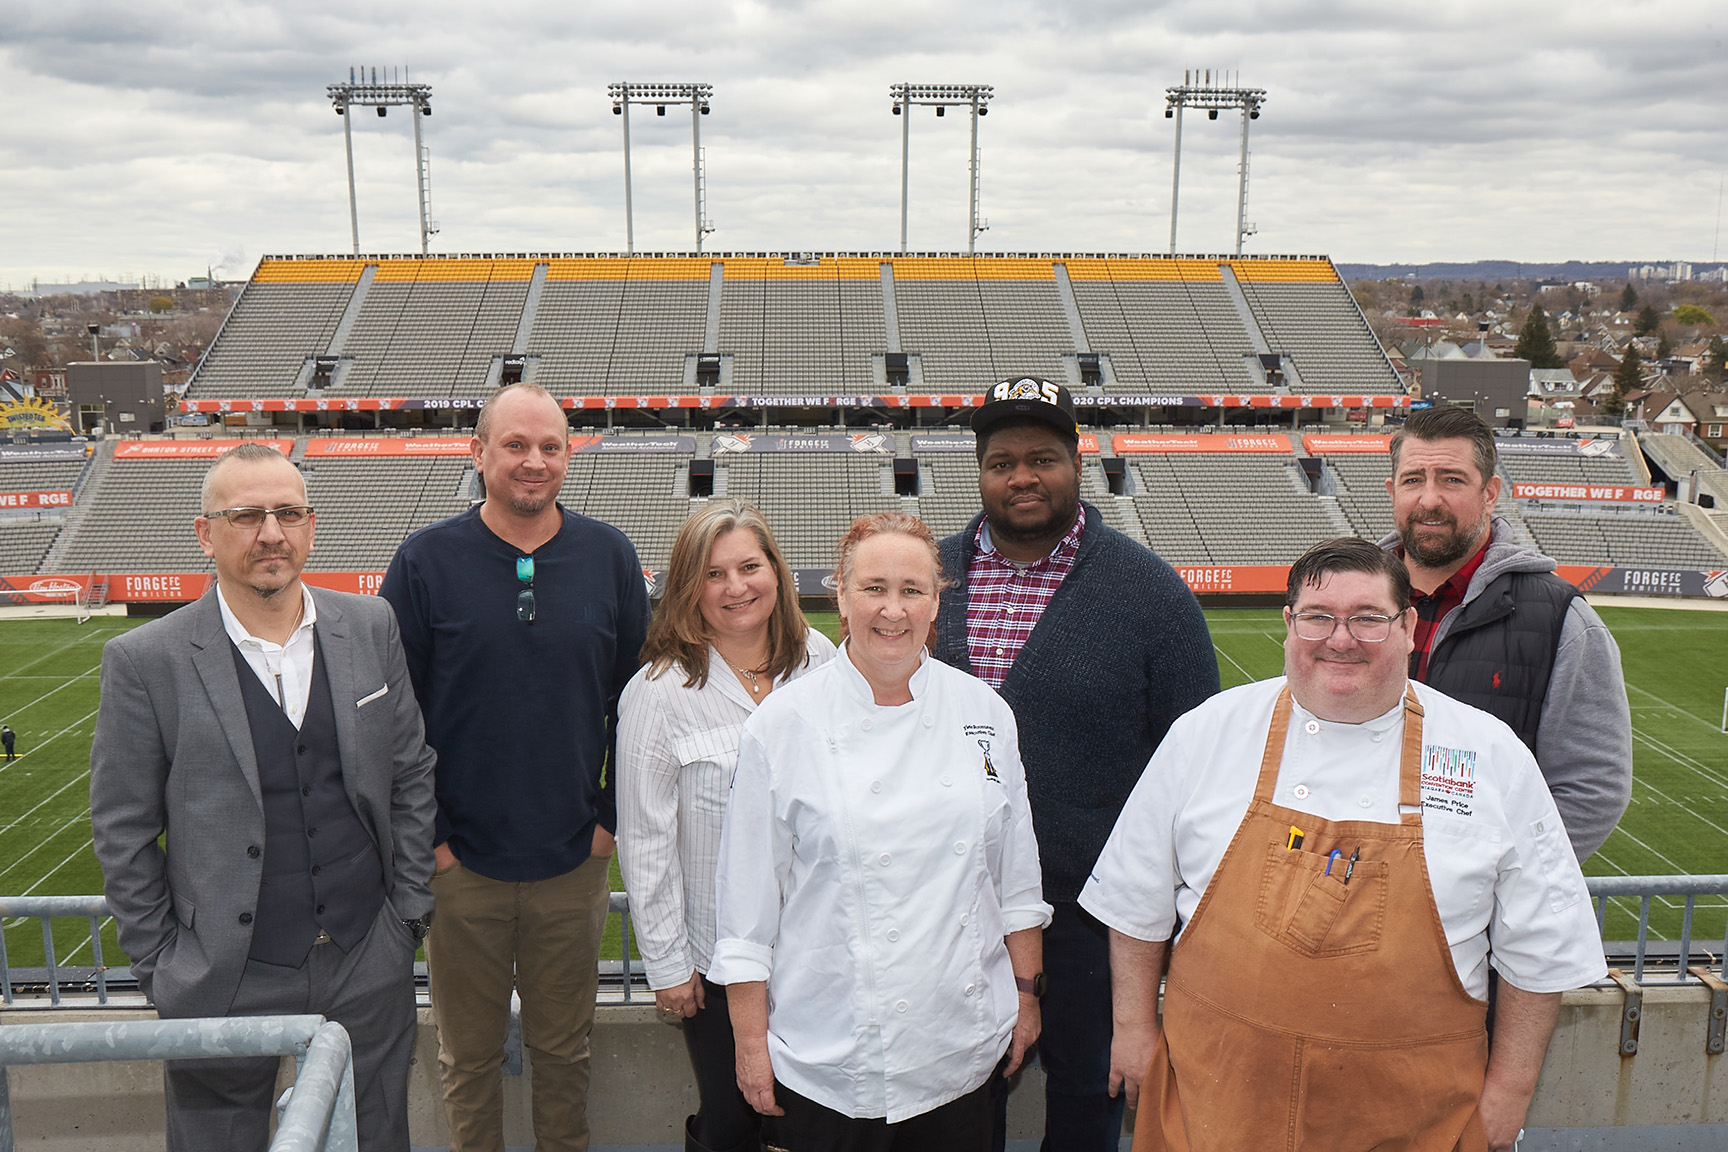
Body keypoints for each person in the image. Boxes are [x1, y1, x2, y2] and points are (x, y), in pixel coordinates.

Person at [1082, 538, 1607, 1152]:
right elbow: (1134, 896)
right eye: (1318, 616)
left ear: (1408, 626)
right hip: (1211, 1102)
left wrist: (1510, 1093)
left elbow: (1540, 948)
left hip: (1415, 1118)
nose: (1340, 638)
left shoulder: (1490, 757)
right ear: (1288, 623)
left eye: (1368, 618)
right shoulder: (1208, 732)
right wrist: (1133, 1028)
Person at [90, 442, 437, 1152]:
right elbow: (122, 827)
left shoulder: (371, 626)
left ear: (312, 525)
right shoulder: (146, 660)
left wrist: (405, 918)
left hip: (366, 956)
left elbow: (410, 774)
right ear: (205, 532)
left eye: (287, 513)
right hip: (218, 973)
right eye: (246, 516)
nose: (270, 533)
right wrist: (163, 966)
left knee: (377, 1136)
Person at [929, 376, 1218, 1151]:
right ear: (981, 472)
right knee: (957, 1090)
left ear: (1077, 461)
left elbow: (1194, 769)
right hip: (946, 899)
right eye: (1002, 461)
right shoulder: (927, 578)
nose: (1022, 476)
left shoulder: (1151, 593)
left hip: (1091, 914)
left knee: (1089, 1093)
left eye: (1043, 458)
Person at [709, 512, 1052, 1151]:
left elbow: (1017, 884)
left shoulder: (984, 714)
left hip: (960, 1054)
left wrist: (1026, 998)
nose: (892, 610)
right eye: (873, 588)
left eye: (912, 590)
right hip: (830, 1063)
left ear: (935, 602)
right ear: (839, 594)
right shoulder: (782, 727)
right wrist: (751, 1046)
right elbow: (746, 919)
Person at [380, 383, 650, 1152]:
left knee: (565, 1054)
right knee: (467, 1060)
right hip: (462, 868)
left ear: (571, 453)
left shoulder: (609, 555)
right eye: (516, 445)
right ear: (478, 453)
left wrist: (608, 824)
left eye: (551, 446)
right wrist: (433, 842)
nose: (534, 462)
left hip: (574, 863)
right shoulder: (426, 560)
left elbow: (639, 703)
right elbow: (396, 719)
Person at [616, 500, 837, 1152]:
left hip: (817, 949)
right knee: (736, 1115)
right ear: (689, 587)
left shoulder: (822, 662)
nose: (737, 587)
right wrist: (668, 963)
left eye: (750, 566)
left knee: (809, 1118)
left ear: (777, 571)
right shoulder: (658, 692)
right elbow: (646, 837)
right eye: (715, 574)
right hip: (717, 961)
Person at [1382, 405, 1631, 860]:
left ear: (1490, 492)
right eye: (1413, 479)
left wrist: (1499, 881)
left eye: (1452, 479)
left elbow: (1593, 788)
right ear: (1391, 491)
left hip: (1476, 919)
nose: (1429, 499)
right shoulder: (1343, 605)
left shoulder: (1562, 621)